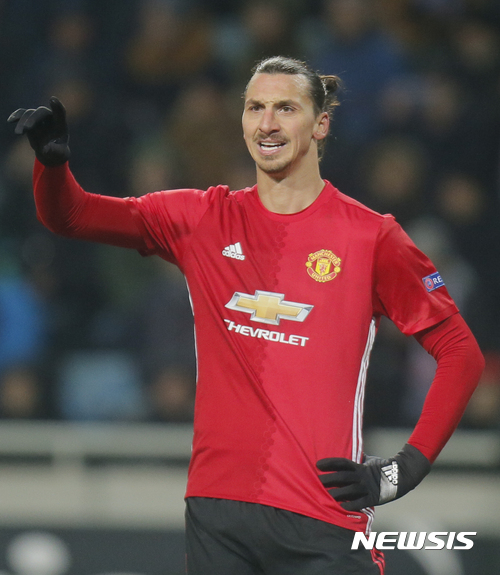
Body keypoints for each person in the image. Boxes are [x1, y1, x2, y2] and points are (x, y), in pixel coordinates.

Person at [8, 56, 484, 574]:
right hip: (218, 515)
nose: (267, 123)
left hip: (322, 517)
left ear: (321, 123)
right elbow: (71, 214)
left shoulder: (371, 237)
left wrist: (402, 471)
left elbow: (461, 353)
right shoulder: (201, 218)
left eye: (286, 108)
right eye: (255, 107)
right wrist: (52, 167)